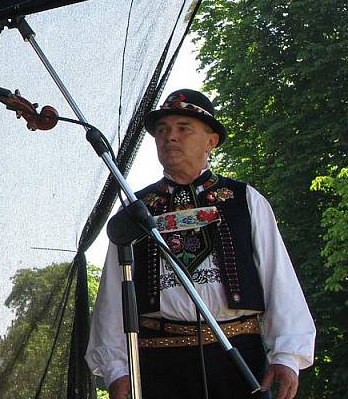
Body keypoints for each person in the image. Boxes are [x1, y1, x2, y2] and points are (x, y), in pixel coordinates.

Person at [86, 89, 315, 399]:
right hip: (159, 365)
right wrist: (116, 368)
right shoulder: (135, 210)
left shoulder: (244, 200)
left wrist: (287, 354)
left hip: (237, 359)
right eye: (163, 130)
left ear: (211, 141)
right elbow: (113, 295)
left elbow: (279, 279)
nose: (170, 137)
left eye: (183, 128)